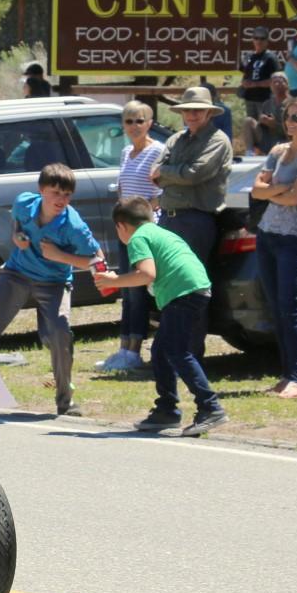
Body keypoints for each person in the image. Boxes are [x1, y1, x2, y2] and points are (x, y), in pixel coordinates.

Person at [0, 163, 100, 417]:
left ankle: (65, 400)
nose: (61, 200)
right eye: (55, 193)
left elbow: (96, 260)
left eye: (67, 195)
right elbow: (17, 224)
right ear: (41, 190)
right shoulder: (24, 203)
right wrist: (17, 236)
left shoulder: (73, 226)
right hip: (17, 273)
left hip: (54, 282)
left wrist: (60, 256)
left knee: (59, 333)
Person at [95, 197, 226, 436]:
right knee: (161, 351)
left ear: (121, 226)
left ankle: (210, 407)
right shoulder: (159, 231)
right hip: (195, 288)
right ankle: (167, 409)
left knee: (177, 351)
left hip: (183, 292)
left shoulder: (138, 238)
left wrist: (115, 280)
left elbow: (146, 274)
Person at [251, 95, 297, 397]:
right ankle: (285, 375)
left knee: (290, 307)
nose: (290, 122)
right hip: (267, 233)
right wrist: (283, 188)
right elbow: (256, 191)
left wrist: (274, 191)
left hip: (294, 238)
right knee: (275, 308)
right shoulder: (278, 150)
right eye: (287, 116)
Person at [98, 101, 165, 373]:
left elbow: (160, 195)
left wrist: (139, 221)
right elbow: (123, 189)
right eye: (129, 121)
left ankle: (135, 351)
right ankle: (124, 348)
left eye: (140, 120)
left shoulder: (158, 151)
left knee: (137, 291)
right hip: (124, 229)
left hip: (144, 231)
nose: (134, 126)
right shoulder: (126, 152)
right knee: (125, 290)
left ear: (150, 123)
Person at [152, 86, 232, 268]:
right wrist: (173, 173)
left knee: (189, 276)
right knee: (165, 276)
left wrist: (165, 172)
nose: (192, 114)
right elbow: (154, 174)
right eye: (187, 109)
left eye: (198, 110)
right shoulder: (175, 139)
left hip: (195, 220)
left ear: (209, 113)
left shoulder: (217, 140)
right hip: (166, 217)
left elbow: (193, 174)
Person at [237, 27, 282, 154]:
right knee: (249, 125)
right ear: (253, 40)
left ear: (267, 41)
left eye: (262, 38)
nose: (259, 41)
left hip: (265, 99)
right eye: (256, 38)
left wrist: (256, 84)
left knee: (265, 125)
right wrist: (245, 83)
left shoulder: (270, 58)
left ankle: (269, 151)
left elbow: (275, 79)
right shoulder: (249, 57)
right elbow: (245, 74)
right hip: (250, 98)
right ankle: (251, 152)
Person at [249, 72, 291, 155]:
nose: (276, 84)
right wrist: (262, 120)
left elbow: (294, 129)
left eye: (280, 82)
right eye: (274, 82)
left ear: (287, 85)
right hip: (267, 138)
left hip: (284, 140)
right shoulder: (267, 104)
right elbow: (262, 125)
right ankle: (249, 152)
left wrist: (275, 125)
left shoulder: (292, 104)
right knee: (249, 121)